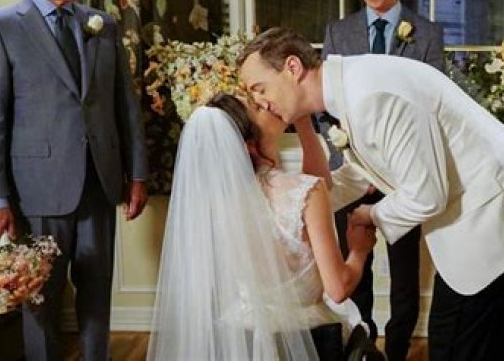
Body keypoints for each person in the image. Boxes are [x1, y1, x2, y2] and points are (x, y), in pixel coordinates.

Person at [238, 27, 504, 360]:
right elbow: (370, 169)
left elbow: (427, 196)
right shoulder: (352, 84)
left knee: (453, 347)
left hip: (491, 218)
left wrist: (372, 215)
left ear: (292, 67)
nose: (259, 102)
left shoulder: (371, 97)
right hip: (491, 212)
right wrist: (302, 203)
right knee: (495, 347)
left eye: (259, 88)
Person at [0, 0, 148, 361]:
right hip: (36, 192)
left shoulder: (102, 25)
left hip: (100, 185)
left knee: (97, 295)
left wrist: (137, 174)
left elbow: (124, 106)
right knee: (41, 303)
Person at [146, 93, 381, 360]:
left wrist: (303, 122)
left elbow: (316, 185)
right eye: (257, 108)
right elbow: (337, 289)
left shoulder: (215, 205)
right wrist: (359, 250)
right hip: (311, 332)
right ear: (249, 144)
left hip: (245, 332)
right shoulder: (305, 191)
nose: (267, 104)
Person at [320, 0, 445, 359]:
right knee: (357, 269)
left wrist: (391, 168)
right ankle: (363, 348)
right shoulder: (337, 33)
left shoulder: (427, 34)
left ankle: (396, 352)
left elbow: (431, 108)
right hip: (352, 175)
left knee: (405, 277)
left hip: (403, 179)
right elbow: (324, 110)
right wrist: (350, 159)